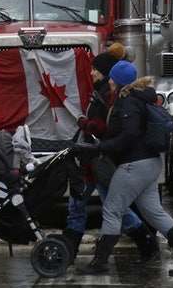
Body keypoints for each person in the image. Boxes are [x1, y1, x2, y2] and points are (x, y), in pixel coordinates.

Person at [76, 61, 173, 277]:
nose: (110, 80)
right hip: (150, 163)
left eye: (113, 77)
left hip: (135, 164)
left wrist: (103, 148)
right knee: (154, 213)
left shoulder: (129, 102)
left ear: (119, 80)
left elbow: (129, 134)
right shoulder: (141, 98)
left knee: (112, 209)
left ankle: (100, 262)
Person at [63, 43, 158, 263]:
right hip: (95, 160)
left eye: (95, 69)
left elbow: (104, 127)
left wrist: (82, 122)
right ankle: (70, 252)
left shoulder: (108, 96)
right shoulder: (103, 93)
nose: (92, 72)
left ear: (107, 73)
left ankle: (144, 243)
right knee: (85, 205)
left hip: (98, 161)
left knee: (101, 207)